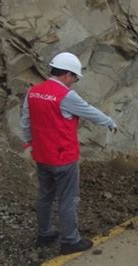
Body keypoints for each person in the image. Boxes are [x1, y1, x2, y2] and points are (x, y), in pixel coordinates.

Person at [20, 52, 117, 255]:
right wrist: (109, 122)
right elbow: (88, 110)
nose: (74, 82)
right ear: (67, 75)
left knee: (45, 196)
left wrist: (30, 142)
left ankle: (45, 234)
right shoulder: (65, 95)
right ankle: (70, 241)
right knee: (68, 198)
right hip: (63, 157)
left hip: (42, 155)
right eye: (74, 77)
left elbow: (26, 120)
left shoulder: (34, 92)